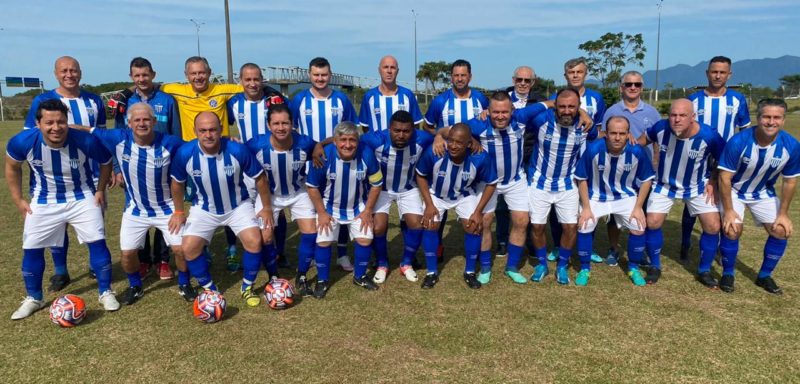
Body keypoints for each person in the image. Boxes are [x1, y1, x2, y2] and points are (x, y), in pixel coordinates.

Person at [7, 100, 119, 320]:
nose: (56, 127)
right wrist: (18, 199)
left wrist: (99, 190)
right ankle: (34, 298)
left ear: (67, 122)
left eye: (61, 122)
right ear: (38, 123)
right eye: (49, 122)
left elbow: (106, 162)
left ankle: (106, 292)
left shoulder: (85, 140)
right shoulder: (23, 141)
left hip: (82, 196)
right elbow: (12, 167)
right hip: (44, 199)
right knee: (31, 247)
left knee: (97, 241)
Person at [85, 102, 195, 304]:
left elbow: (196, 147)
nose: (142, 123)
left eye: (146, 119)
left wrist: (227, 140)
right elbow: (88, 130)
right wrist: (62, 126)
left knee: (181, 250)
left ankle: (184, 283)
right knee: (127, 254)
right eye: (137, 120)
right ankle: (135, 286)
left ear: (154, 121)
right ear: (129, 123)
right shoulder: (118, 138)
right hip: (136, 210)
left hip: (167, 209)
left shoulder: (170, 142)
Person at [169, 112, 273, 307]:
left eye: (213, 130)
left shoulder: (237, 150)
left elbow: (260, 178)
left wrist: (266, 207)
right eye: (203, 130)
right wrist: (179, 212)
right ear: (195, 131)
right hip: (204, 209)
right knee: (188, 248)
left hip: (238, 206)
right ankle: (210, 289)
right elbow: (176, 183)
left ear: (221, 130)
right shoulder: (185, 153)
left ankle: (247, 287)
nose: (208, 135)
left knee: (254, 241)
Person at [23, 56, 107, 292]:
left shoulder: (94, 100)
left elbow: (100, 134)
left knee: (94, 223)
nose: (69, 74)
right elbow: (31, 136)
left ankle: (95, 266)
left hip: (89, 174)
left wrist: (109, 170)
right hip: (51, 176)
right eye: (64, 71)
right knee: (56, 225)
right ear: (56, 74)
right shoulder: (42, 100)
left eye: (73, 70)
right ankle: (61, 271)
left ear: (80, 72)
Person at [458, 92, 557, 285]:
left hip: (515, 180)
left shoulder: (521, 117)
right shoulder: (478, 124)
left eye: (504, 112)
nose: (500, 116)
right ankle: (485, 267)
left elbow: (552, 103)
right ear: (488, 111)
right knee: (485, 222)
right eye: (496, 112)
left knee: (521, 221)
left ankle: (511, 266)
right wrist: (446, 138)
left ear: (512, 110)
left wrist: (583, 114)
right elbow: (451, 131)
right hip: (487, 183)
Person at [639, 99, 725, 286]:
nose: (677, 119)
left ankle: (704, 270)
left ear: (693, 117)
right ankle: (654, 266)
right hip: (664, 185)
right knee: (652, 222)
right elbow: (640, 143)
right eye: (673, 115)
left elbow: (724, 160)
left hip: (697, 186)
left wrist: (713, 180)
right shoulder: (660, 128)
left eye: (682, 115)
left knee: (713, 226)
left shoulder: (709, 135)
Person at [717, 99, 799, 294]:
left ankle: (764, 276)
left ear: (783, 120)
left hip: (762, 192)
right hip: (734, 190)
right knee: (732, 229)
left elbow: (789, 181)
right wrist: (728, 210)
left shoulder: (792, 146)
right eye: (766, 117)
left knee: (781, 230)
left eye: (777, 117)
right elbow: (724, 178)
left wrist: (783, 214)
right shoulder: (739, 141)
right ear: (758, 118)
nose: (771, 122)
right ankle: (728, 273)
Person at [115, 57, 182, 280]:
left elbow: (175, 133)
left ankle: (162, 260)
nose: (142, 79)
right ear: (131, 77)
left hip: (162, 165)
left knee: (164, 210)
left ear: (153, 74)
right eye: (137, 75)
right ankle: (143, 260)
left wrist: (176, 167)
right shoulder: (125, 101)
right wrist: (117, 168)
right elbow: (117, 136)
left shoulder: (167, 100)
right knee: (139, 212)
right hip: (133, 166)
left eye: (145, 74)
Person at [682, 56, 751, 263]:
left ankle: (722, 247)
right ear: (707, 73)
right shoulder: (694, 99)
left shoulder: (737, 99)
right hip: (698, 158)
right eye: (714, 72)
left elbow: (745, 131)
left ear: (729, 75)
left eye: (722, 72)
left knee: (722, 200)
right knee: (692, 198)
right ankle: (685, 242)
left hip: (726, 160)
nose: (718, 76)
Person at [291, 57, 358, 272]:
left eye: (324, 75)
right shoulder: (299, 99)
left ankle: (342, 254)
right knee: (313, 209)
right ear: (309, 75)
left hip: (338, 161)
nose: (320, 78)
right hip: (308, 165)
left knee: (343, 206)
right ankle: (313, 254)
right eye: (316, 75)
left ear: (330, 75)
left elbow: (351, 130)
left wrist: (322, 144)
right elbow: (292, 131)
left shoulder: (341, 99)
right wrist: (311, 148)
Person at [245, 104, 318, 296]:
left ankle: (301, 275)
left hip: (298, 192)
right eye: (276, 123)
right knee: (265, 237)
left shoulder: (305, 142)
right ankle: (273, 276)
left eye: (285, 123)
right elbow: (238, 153)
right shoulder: (256, 145)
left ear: (292, 124)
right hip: (268, 196)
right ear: (268, 125)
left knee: (311, 232)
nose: (281, 127)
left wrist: (321, 146)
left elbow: (319, 147)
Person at [305, 122, 384, 298]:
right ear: (335, 141)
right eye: (343, 140)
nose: (347, 145)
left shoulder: (367, 154)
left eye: (352, 140)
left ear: (358, 141)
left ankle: (360, 276)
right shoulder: (324, 156)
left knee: (365, 239)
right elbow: (312, 187)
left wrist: (368, 211)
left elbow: (376, 184)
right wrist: (321, 213)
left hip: (357, 207)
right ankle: (322, 280)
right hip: (329, 207)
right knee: (324, 241)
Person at [416, 123, 498, 289]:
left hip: (463, 195)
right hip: (437, 195)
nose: (453, 145)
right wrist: (429, 204)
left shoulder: (480, 157)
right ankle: (431, 272)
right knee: (430, 224)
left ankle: (469, 272)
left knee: (474, 226)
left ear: (469, 143)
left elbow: (491, 183)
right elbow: (420, 175)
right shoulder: (436, 152)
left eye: (459, 142)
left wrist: (478, 212)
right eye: (451, 140)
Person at [574, 116, 654, 286]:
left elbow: (647, 180)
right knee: (585, 224)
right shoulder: (593, 149)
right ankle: (584, 268)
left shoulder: (636, 151)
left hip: (625, 196)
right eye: (613, 133)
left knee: (638, 225)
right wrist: (586, 207)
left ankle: (633, 268)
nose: (617, 137)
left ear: (628, 134)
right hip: (596, 196)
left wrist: (638, 207)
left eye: (622, 133)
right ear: (606, 133)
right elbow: (581, 178)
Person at [227, 62, 290, 268]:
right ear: (241, 81)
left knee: (277, 207)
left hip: (272, 162)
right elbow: (221, 124)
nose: (252, 83)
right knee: (238, 206)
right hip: (245, 164)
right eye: (248, 79)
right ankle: (236, 250)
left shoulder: (274, 101)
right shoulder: (233, 102)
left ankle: (280, 252)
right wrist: (229, 139)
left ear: (262, 80)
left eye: (256, 79)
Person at [359, 110, 433, 284]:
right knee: (378, 227)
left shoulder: (422, 139)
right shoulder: (375, 139)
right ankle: (382, 264)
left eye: (406, 131)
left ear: (413, 130)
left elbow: (444, 137)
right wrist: (319, 146)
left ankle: (406, 263)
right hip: (381, 189)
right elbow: (349, 139)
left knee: (417, 224)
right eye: (396, 130)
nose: (401, 135)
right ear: (389, 129)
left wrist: (438, 138)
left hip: (408, 188)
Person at [528, 88, 592, 285]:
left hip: (567, 184)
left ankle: (562, 265)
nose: (566, 111)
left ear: (579, 107)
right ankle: (542, 264)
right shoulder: (542, 120)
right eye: (562, 106)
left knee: (570, 227)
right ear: (555, 106)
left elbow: (606, 137)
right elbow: (517, 116)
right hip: (539, 182)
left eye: (572, 107)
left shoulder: (585, 125)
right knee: (537, 226)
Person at [546, 57, 606, 264]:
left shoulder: (596, 98)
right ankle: (557, 244)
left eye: (579, 72)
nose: (575, 75)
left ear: (585, 74)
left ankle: (587, 245)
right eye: (571, 72)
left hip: (587, 159)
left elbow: (599, 130)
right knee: (558, 203)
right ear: (565, 75)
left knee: (588, 202)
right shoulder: (555, 98)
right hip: (562, 161)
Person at [599, 71, 660, 266]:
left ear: (642, 87)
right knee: (614, 213)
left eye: (637, 84)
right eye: (628, 84)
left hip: (642, 171)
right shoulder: (612, 110)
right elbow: (602, 135)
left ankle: (639, 251)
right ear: (621, 87)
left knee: (642, 210)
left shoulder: (652, 112)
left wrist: (656, 163)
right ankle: (614, 248)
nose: (633, 87)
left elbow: (657, 139)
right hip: (617, 171)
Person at [494, 66, 546, 258]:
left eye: (527, 80)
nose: (523, 83)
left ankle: (530, 242)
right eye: (519, 80)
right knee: (501, 204)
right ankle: (502, 241)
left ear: (533, 82)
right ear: (513, 80)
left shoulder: (539, 100)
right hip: (505, 156)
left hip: (531, 156)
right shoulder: (503, 97)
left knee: (528, 202)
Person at [359, 55, 424, 132]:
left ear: (397, 71)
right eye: (385, 67)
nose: (389, 71)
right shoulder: (369, 96)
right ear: (379, 70)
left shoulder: (408, 95)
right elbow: (365, 127)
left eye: (393, 67)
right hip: (376, 140)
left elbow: (415, 126)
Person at [423, 59, 489, 133]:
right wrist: (440, 134)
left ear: (470, 77)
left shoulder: (481, 98)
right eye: (456, 75)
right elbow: (426, 126)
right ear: (451, 77)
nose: (459, 79)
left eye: (463, 75)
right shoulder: (440, 101)